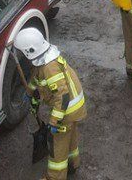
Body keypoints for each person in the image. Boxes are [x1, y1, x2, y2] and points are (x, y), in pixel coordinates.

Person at [14, 26, 86, 178]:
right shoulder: (45, 58)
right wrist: (30, 92)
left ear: (30, 51)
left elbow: (63, 97)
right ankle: (73, 164)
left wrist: (54, 122)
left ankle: (54, 177)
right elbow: (36, 78)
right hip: (74, 108)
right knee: (70, 137)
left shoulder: (49, 68)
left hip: (66, 111)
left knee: (57, 147)